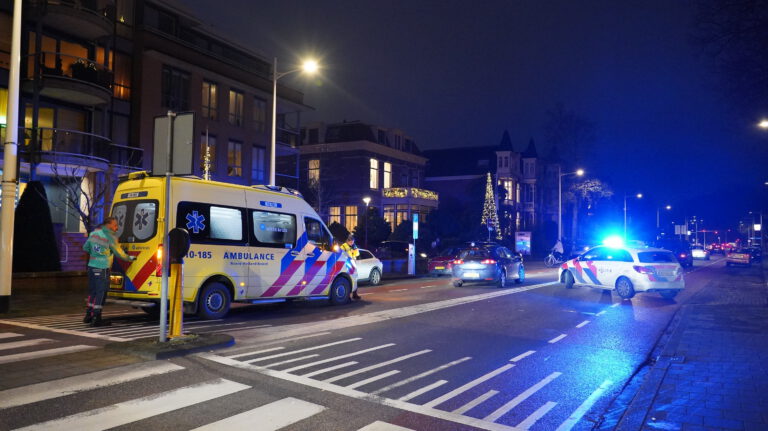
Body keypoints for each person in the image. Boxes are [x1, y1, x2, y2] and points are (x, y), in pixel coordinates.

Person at [82, 216, 135, 327]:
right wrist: (131, 258)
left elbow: (85, 248)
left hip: (92, 268)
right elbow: (120, 254)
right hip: (102, 268)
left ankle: (89, 315)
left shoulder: (94, 234)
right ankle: (97, 317)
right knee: (101, 292)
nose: (117, 227)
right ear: (108, 225)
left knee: (93, 291)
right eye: (115, 225)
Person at [340, 234, 361, 300]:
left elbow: (357, 254)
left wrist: (355, 249)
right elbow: (340, 254)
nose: (352, 243)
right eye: (351, 242)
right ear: (348, 241)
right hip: (346, 264)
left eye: (353, 242)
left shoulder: (354, 246)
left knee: (354, 279)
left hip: (353, 264)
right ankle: (348, 296)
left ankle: (355, 294)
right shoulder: (343, 246)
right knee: (348, 279)